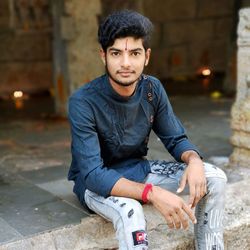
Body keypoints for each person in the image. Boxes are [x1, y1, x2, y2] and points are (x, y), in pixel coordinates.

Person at [68, 10, 227, 250]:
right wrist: (151, 193)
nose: (125, 63)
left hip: (137, 169)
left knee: (215, 177)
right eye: (116, 53)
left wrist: (194, 160)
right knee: (130, 210)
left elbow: (175, 138)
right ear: (103, 56)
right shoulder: (83, 101)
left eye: (134, 53)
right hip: (96, 184)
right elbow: (93, 174)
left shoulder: (152, 89)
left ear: (147, 56)